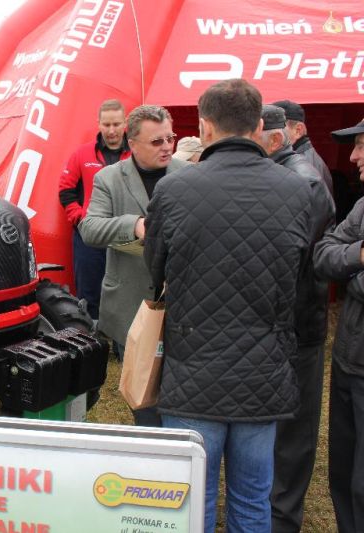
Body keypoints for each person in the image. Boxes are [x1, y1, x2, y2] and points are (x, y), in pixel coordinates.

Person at [144, 79, 313, 532]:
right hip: (265, 372)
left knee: (190, 503)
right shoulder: (298, 191)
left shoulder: (173, 191)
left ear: (205, 126)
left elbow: (154, 272)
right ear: (259, 125)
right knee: (252, 501)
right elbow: (302, 281)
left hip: (193, 369)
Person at [78, 104, 188, 427]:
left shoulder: (189, 174)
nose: (167, 146)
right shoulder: (108, 179)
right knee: (143, 396)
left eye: (170, 138)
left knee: (178, 390)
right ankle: (152, 450)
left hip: (183, 306)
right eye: (157, 141)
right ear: (132, 143)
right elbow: (90, 228)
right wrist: (135, 225)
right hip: (131, 306)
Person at [255, 105, 336, 533]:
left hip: (298, 323)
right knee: (282, 428)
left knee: (294, 433)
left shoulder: (303, 178)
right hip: (288, 321)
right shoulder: (292, 172)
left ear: (276, 137)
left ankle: (281, 520)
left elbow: (298, 255)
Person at [313, 117, 364, 533]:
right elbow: (325, 254)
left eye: (363, 146)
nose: (353, 157)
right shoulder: (363, 207)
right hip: (348, 363)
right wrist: (360, 256)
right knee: (344, 476)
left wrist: (354, 277)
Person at [58, 99, 131, 321]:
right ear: (98, 124)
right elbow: (65, 190)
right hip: (89, 236)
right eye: (106, 125)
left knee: (126, 288)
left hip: (125, 234)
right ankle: (92, 339)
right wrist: (80, 219)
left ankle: (121, 338)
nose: (111, 130)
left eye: (116, 124)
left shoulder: (136, 153)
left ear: (125, 123)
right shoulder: (82, 154)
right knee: (89, 290)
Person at [272, 99, 334, 196]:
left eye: (277, 127)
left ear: (298, 130)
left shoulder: (303, 166)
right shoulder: (302, 160)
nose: (270, 134)